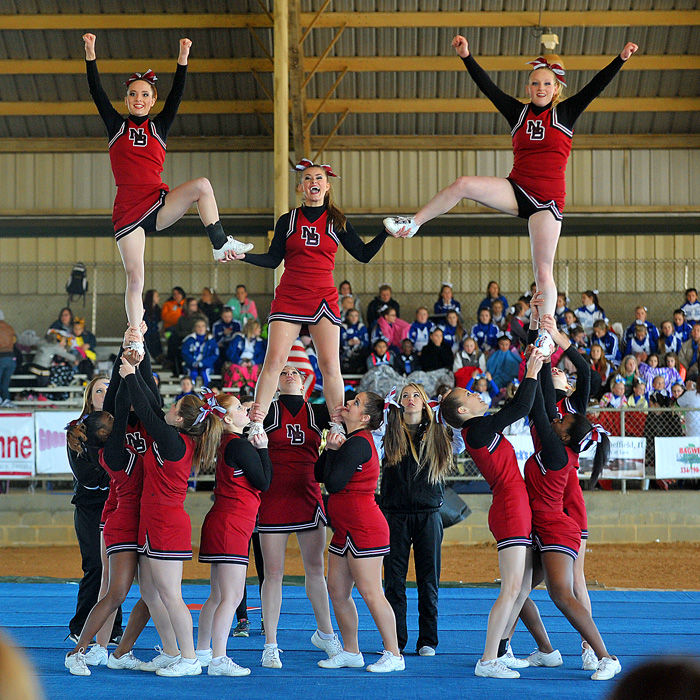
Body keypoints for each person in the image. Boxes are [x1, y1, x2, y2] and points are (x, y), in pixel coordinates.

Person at [384, 37, 638, 352]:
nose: (541, 87)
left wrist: (621, 58)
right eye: (535, 83)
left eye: (547, 83)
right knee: (463, 183)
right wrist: (467, 56)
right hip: (516, 188)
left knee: (543, 269)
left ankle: (546, 334)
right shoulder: (517, 113)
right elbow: (488, 88)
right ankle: (414, 223)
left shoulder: (566, 114)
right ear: (529, 88)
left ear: (556, 88)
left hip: (547, 201)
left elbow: (595, 87)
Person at [82, 32, 251, 357]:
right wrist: (90, 52)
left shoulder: (159, 127)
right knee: (135, 277)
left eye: (145, 94)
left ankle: (220, 244)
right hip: (129, 211)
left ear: (152, 99)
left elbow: (177, 94)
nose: (138, 99)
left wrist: (183, 58)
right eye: (133, 94)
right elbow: (96, 91)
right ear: (127, 98)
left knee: (202, 185)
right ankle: (135, 334)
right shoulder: (116, 126)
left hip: (159, 204)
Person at [232, 160, 395, 440]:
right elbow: (273, 260)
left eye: (318, 177)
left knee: (330, 366)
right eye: (307, 178)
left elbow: (364, 254)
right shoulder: (288, 219)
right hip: (290, 296)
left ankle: (336, 425)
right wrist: (242, 255)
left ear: (327, 186)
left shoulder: (337, 221)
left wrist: (385, 232)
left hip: (323, 298)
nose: (312, 182)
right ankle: (257, 422)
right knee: (274, 361)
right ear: (301, 187)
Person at [441, 350, 550, 678]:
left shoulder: (477, 429)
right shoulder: (475, 430)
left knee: (524, 585)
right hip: (509, 508)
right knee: (512, 587)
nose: (476, 394)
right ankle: (487, 659)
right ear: (463, 411)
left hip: (515, 504)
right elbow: (519, 407)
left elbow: (519, 407)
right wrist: (532, 368)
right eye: (469, 394)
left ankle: (500, 650)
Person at [523, 327, 621, 681]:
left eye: (561, 373)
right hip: (545, 489)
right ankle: (519, 648)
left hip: (561, 494)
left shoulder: (572, 412)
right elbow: (541, 389)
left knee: (571, 581)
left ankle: (591, 649)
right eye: (556, 370)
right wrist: (538, 329)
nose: (558, 371)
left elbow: (583, 368)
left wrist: (555, 337)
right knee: (523, 586)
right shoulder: (553, 413)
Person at [120, 356, 224, 676]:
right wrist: (141, 357)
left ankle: (190, 658)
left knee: (170, 595)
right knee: (150, 593)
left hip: (166, 523)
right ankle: (171, 650)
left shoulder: (172, 441)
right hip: (153, 521)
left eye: (175, 404)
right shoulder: (175, 436)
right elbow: (153, 401)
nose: (170, 405)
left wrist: (129, 376)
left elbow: (148, 408)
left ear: (179, 418)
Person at [64, 338, 163, 675]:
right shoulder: (111, 442)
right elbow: (126, 402)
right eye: (99, 392)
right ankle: (87, 647)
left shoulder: (142, 424)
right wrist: (129, 364)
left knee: (143, 591)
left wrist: (136, 352)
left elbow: (148, 396)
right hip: (115, 513)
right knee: (111, 585)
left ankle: (116, 651)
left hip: (143, 516)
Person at [255, 366, 341, 669]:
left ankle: (327, 634)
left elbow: (339, 400)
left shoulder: (318, 412)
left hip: (308, 495)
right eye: (283, 371)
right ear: (275, 382)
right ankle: (271, 644)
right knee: (273, 574)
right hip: (273, 498)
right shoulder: (265, 410)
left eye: (295, 372)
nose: (290, 374)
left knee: (316, 570)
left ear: (305, 382)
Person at [314, 391, 405, 672]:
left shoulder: (357, 443)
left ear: (365, 417)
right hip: (346, 529)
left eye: (355, 403)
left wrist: (331, 449)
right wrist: (329, 449)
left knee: (371, 591)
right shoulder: (350, 442)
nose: (348, 404)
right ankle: (351, 651)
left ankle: (394, 653)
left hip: (364, 528)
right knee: (338, 591)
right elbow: (320, 475)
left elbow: (334, 483)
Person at [195, 392, 272, 676]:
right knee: (231, 595)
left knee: (217, 596)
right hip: (232, 524)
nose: (245, 410)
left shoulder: (229, 443)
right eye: (240, 407)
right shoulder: (237, 445)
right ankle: (218, 658)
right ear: (227, 418)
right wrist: (263, 449)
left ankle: (203, 652)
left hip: (225, 521)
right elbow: (264, 482)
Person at [381, 384, 452, 657]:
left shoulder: (439, 434)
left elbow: (461, 434)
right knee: (394, 581)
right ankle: (395, 640)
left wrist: (446, 411)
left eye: (415, 395)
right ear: (398, 403)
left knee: (429, 580)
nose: (410, 400)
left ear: (425, 402)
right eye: (405, 396)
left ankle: (427, 640)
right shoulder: (387, 433)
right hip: (394, 514)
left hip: (428, 515)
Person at [65, 375, 122, 645]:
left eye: (109, 389)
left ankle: (113, 628)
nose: (104, 394)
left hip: (118, 506)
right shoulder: (76, 431)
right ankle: (80, 625)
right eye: (99, 390)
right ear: (90, 397)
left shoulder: (121, 429)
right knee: (95, 566)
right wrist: (113, 473)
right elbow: (87, 476)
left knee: (116, 570)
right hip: (89, 508)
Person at [181, 318, 219, 386]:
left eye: (203, 326)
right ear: (194, 328)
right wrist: (193, 362)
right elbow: (185, 353)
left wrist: (203, 363)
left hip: (206, 365)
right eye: (198, 326)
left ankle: (208, 391)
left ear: (206, 328)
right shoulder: (189, 339)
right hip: (191, 365)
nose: (200, 328)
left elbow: (214, 354)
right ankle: (191, 391)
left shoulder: (211, 340)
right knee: (192, 373)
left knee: (205, 373)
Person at [340, 308, 369, 374]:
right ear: (347, 317)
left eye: (356, 316)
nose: (354, 318)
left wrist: (359, 342)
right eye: (351, 316)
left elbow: (366, 342)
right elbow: (339, 342)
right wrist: (348, 343)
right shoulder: (343, 327)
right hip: (345, 352)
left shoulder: (361, 327)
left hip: (359, 352)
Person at [0, 310, 17, 408]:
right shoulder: (10, 328)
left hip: (0, 357)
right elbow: (14, 341)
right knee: (5, 382)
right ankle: (6, 399)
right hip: (11, 358)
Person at [143, 289, 162, 360]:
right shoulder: (144, 308)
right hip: (146, 331)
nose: (158, 298)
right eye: (156, 296)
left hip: (154, 332)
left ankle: (158, 356)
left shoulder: (157, 309)